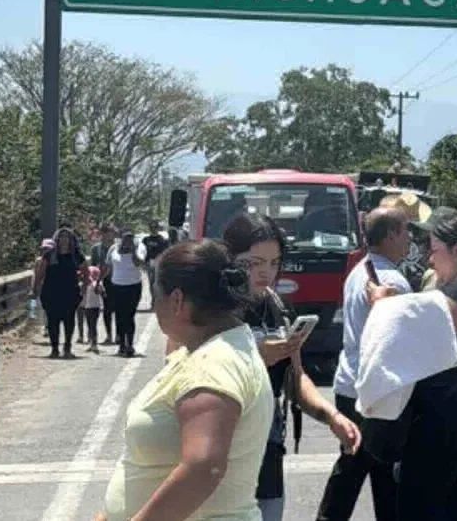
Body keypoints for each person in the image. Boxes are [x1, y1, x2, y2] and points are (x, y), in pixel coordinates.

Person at [98, 241, 273, 521]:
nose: (155, 308)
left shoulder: (213, 365)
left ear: (177, 300)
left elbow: (203, 466)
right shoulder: (208, 351)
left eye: (156, 296)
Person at [367, 209, 457, 520]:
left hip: (443, 427)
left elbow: (402, 330)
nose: (429, 260)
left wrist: (380, 303)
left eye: (433, 250)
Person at [222, 214, 361, 521]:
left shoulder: (276, 306)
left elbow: (296, 379)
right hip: (221, 446)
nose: (265, 273)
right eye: (253, 263)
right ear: (230, 258)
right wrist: (256, 356)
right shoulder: (212, 308)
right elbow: (182, 369)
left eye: (274, 263)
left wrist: (332, 417)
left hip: (267, 444)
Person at [317, 207, 410, 521]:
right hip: (379, 391)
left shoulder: (359, 270)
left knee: (352, 466)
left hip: (349, 383)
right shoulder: (394, 280)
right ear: (391, 235)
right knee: (385, 474)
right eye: (405, 231)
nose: (410, 239)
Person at [33, 228, 86, 359]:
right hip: (51, 293)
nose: (64, 240)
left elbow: (86, 272)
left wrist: (83, 288)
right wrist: (34, 288)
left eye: (67, 237)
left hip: (70, 293)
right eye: (61, 237)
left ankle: (67, 347)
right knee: (53, 322)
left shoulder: (76, 255)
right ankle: (54, 348)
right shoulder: (49, 255)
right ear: (57, 239)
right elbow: (40, 273)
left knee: (69, 321)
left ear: (71, 240)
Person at [105, 232, 146, 357]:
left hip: (133, 286)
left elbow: (139, 263)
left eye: (130, 239)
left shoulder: (139, 248)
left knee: (129, 315)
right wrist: (100, 282)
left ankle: (130, 344)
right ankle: (122, 344)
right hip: (117, 286)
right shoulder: (114, 249)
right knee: (119, 315)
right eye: (125, 239)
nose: (127, 242)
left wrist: (132, 251)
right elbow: (109, 267)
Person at [89, 224, 118, 347]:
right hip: (104, 281)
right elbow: (93, 266)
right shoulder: (96, 249)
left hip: (118, 280)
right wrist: (96, 281)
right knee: (107, 309)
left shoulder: (118, 247)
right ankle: (109, 335)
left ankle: (119, 335)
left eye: (111, 232)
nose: (109, 235)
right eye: (106, 232)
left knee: (118, 309)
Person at [142, 220, 171, 290]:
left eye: (155, 227)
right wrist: (144, 263)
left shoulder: (162, 239)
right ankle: (153, 299)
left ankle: (156, 298)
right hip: (149, 263)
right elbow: (142, 252)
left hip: (158, 263)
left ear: (157, 228)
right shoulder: (145, 239)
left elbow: (165, 252)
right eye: (151, 227)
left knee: (157, 283)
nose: (153, 229)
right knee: (151, 282)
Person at [82, 266, 105, 355]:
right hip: (88, 307)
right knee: (90, 325)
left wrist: (97, 284)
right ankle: (92, 343)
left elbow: (99, 291)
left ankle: (94, 344)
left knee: (93, 325)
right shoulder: (87, 284)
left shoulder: (96, 283)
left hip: (95, 307)